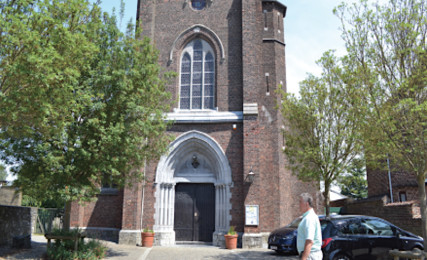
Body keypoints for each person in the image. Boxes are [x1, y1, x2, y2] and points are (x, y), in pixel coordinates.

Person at [297, 193, 323, 260]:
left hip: (310, 255)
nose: (299, 205)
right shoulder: (308, 217)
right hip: (311, 254)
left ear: (307, 204)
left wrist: (304, 258)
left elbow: (309, 241)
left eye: (300, 202)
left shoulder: (309, 218)